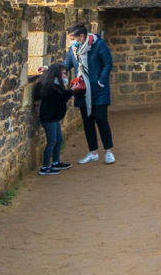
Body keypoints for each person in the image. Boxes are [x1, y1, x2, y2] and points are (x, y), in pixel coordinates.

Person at [63, 22, 116, 165]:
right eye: (69, 39)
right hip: (82, 90)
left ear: (81, 37)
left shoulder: (98, 45)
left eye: (72, 39)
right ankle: (93, 152)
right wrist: (49, 69)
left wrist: (101, 80)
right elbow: (65, 65)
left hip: (99, 90)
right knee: (87, 122)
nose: (71, 42)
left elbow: (108, 63)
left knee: (101, 119)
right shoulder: (73, 50)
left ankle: (108, 151)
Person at [37, 62, 73, 176]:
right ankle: (45, 166)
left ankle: (55, 162)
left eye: (65, 74)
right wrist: (70, 92)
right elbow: (59, 99)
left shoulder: (55, 85)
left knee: (58, 140)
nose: (64, 76)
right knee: (51, 141)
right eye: (62, 74)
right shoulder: (50, 87)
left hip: (54, 118)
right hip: (49, 118)